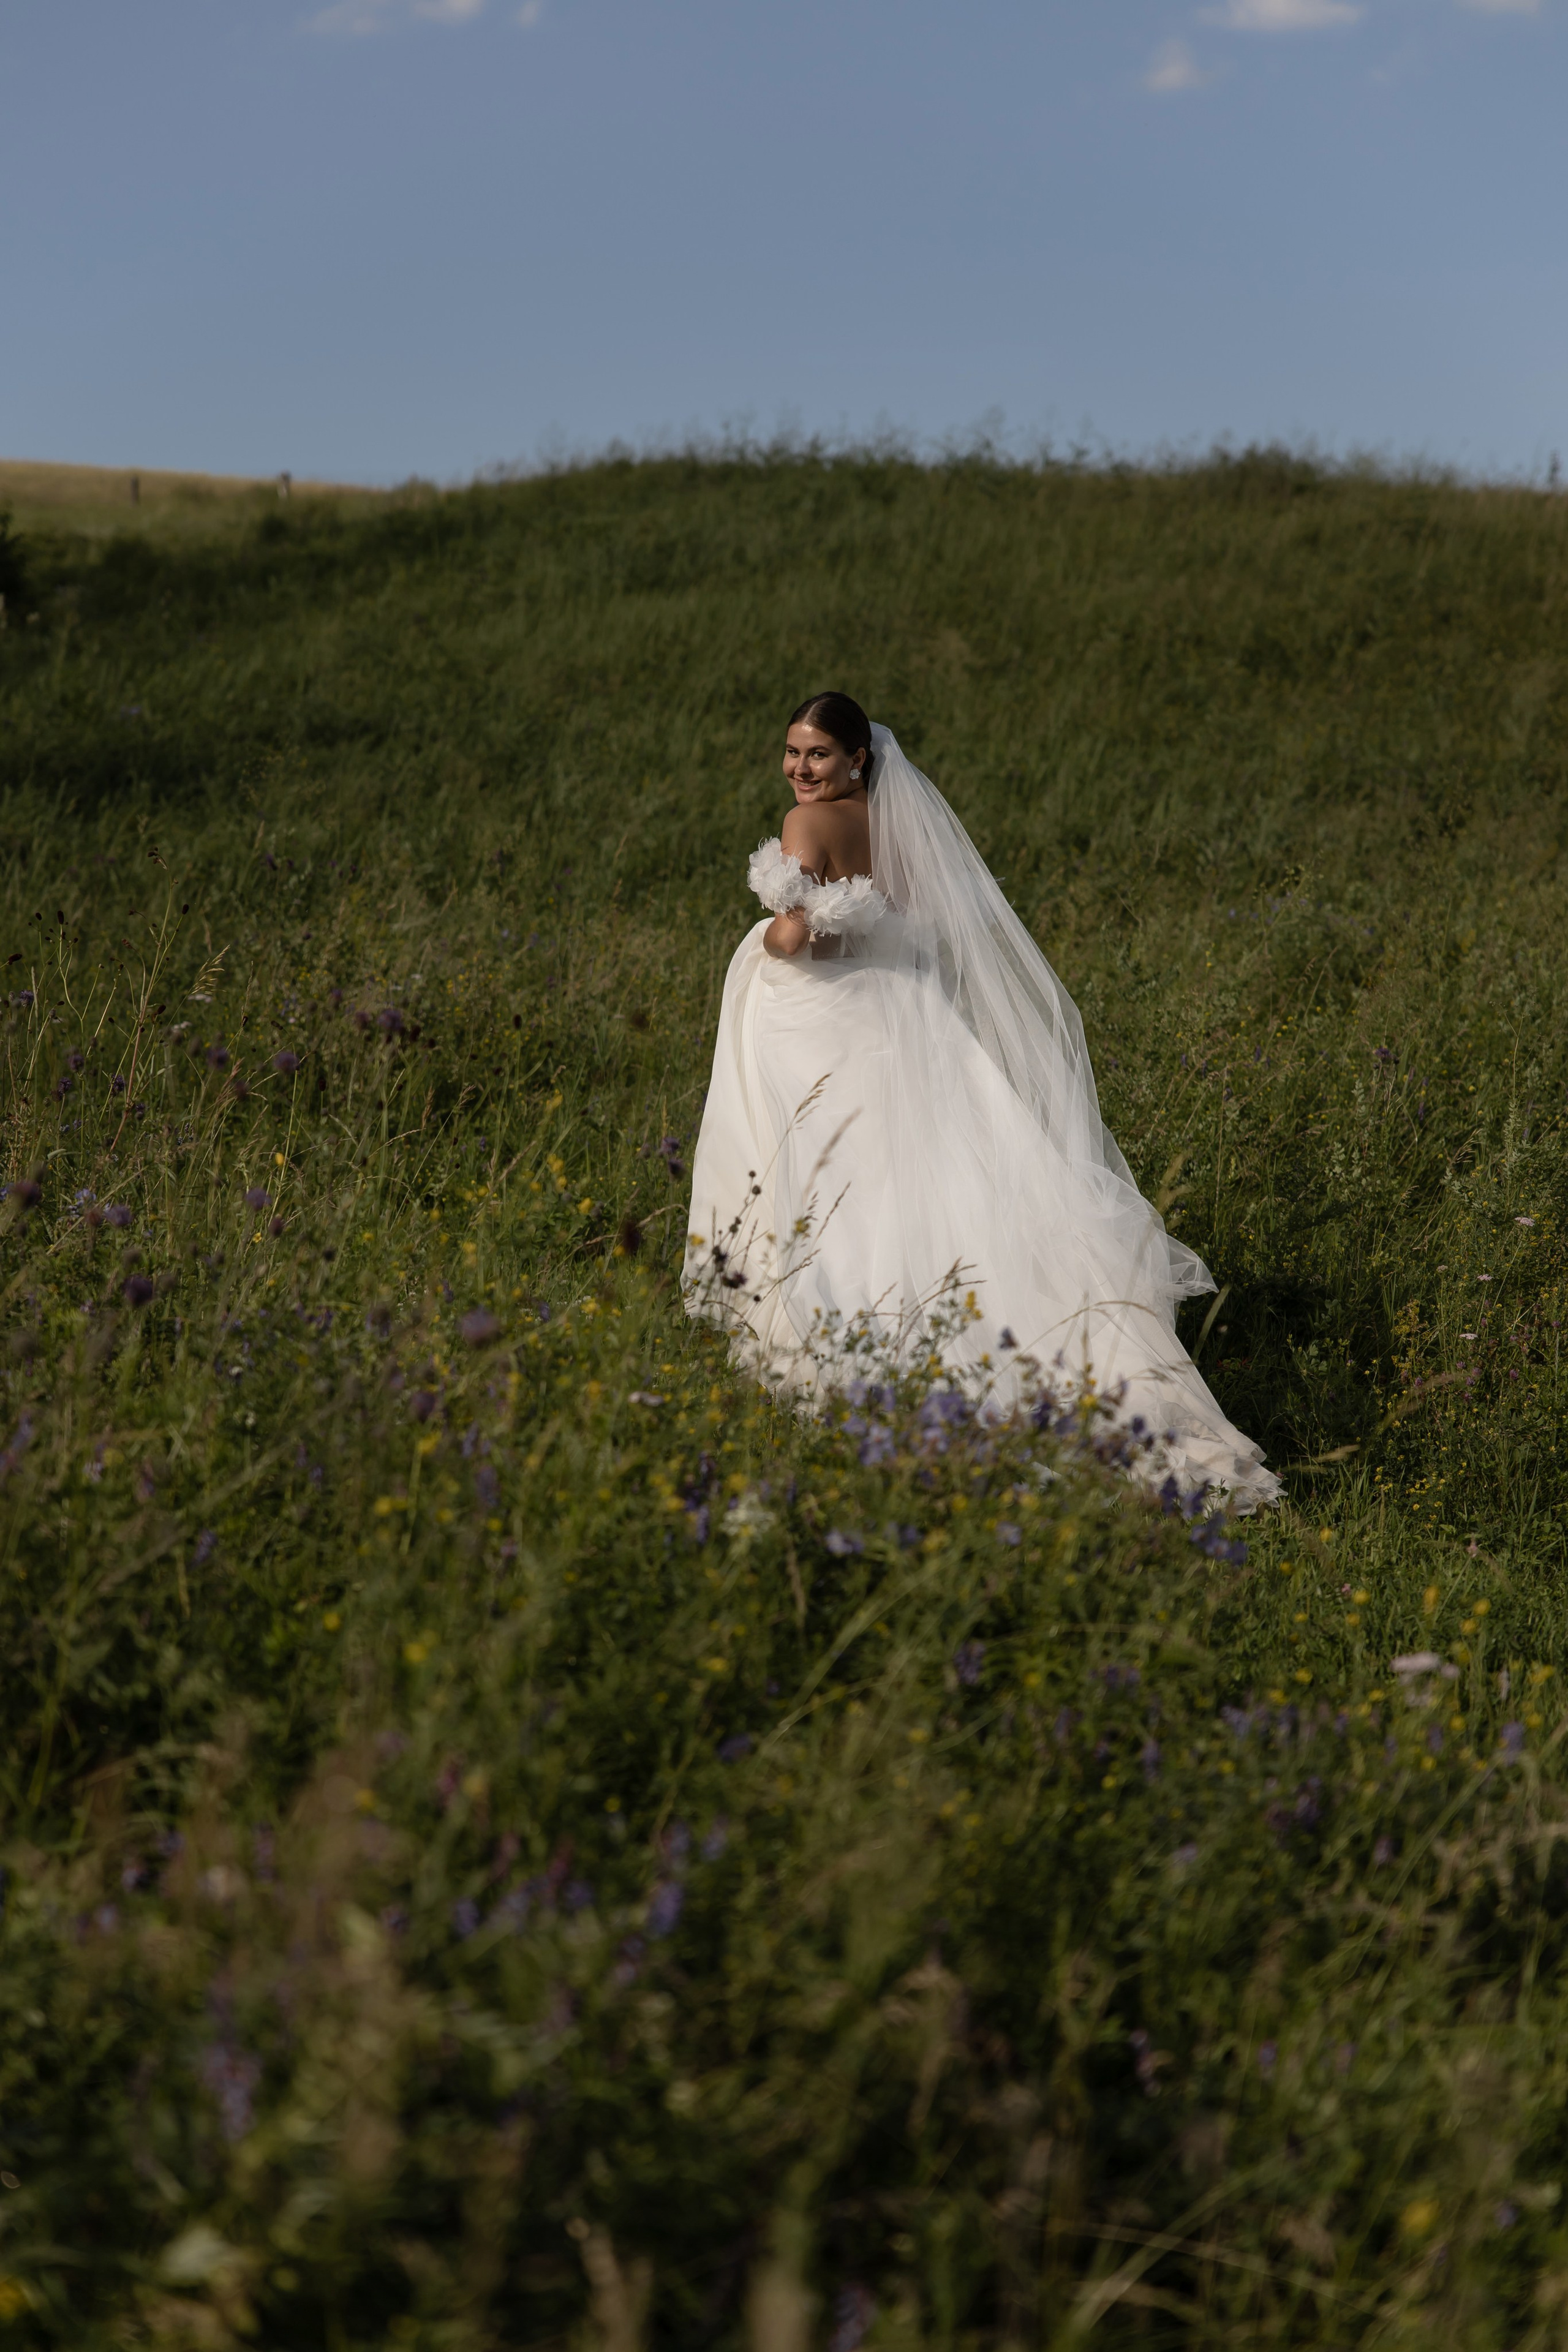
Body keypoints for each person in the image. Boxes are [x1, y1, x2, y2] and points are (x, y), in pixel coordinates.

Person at [683, 692, 1280, 1510]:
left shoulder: (804, 827)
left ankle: (853, 1352)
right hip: (893, 1009)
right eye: (791, 753)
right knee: (923, 1175)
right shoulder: (886, 819)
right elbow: (913, 918)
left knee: (828, 1182)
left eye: (816, 755)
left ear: (857, 758)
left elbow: (795, 937)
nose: (799, 769)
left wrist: (785, 921)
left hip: (819, 1020)